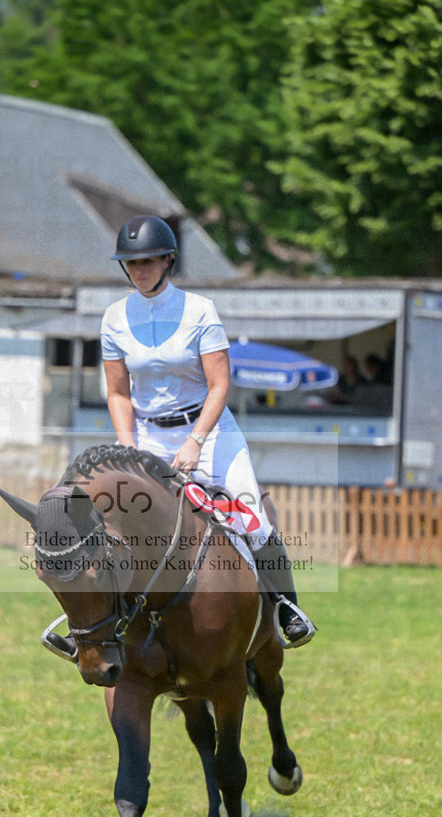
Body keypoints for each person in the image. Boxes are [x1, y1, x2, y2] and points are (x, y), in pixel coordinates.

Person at [100, 215, 316, 648]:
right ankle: (90, 626)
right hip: (148, 437)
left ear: (167, 260)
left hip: (210, 430)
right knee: (117, 524)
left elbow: (220, 384)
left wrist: (196, 440)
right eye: (132, 263)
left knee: (252, 519)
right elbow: (118, 393)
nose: (140, 270)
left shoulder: (199, 310)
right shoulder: (114, 318)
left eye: (148, 261)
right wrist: (128, 449)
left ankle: (287, 609)